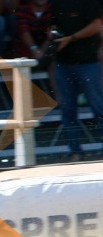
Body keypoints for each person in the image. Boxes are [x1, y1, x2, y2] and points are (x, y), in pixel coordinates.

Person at [50, 0, 103, 161]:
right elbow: (52, 24)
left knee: (99, 108)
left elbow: (96, 25)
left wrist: (71, 38)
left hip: (87, 62)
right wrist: (52, 33)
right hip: (63, 61)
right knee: (68, 110)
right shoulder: (55, 3)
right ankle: (74, 151)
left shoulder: (88, 2)